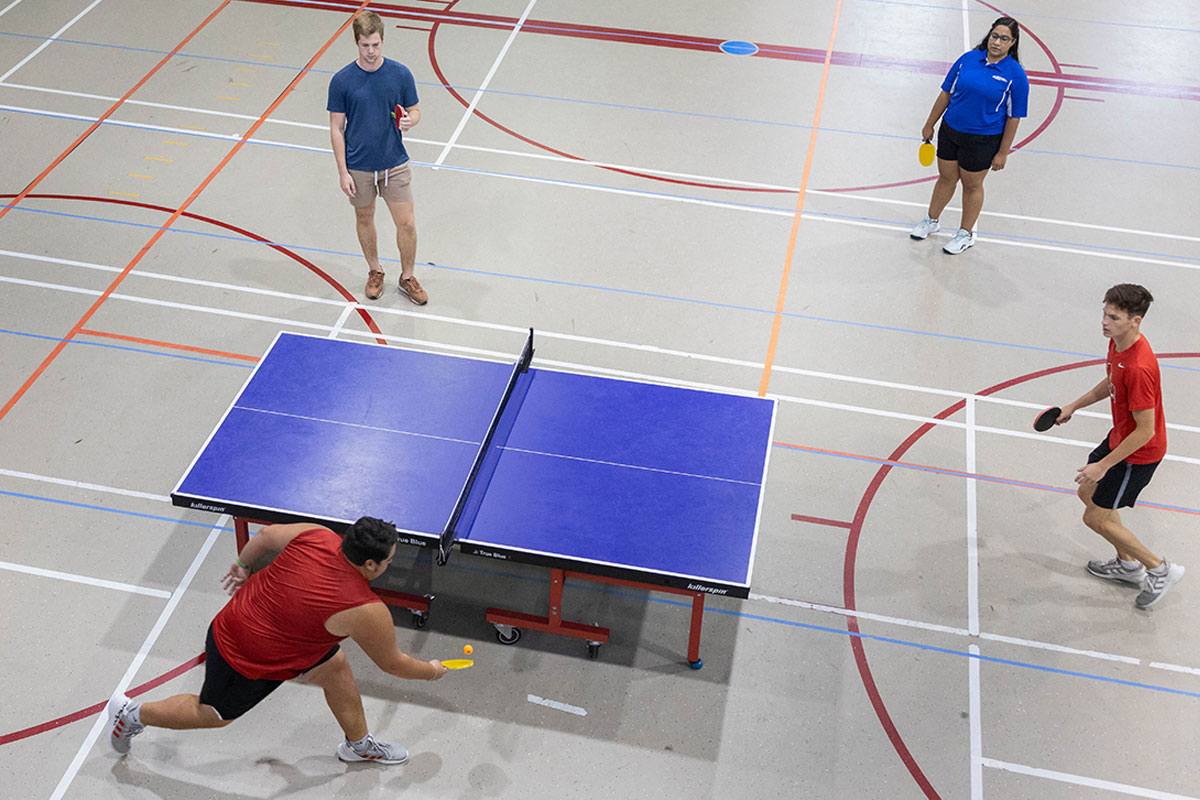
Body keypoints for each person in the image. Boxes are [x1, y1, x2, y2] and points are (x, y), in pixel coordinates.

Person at [106, 517, 447, 764]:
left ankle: (358, 745)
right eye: (390, 560)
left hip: (263, 625)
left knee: (335, 667)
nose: (391, 564)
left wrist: (242, 564)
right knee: (213, 713)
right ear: (370, 564)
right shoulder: (364, 609)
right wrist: (432, 671)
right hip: (243, 653)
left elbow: (267, 535)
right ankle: (131, 714)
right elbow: (392, 663)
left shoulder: (320, 535)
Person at [1053, 284, 1183, 609]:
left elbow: (1145, 431)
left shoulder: (1140, 367)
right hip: (1119, 438)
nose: (1104, 322)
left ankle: (1160, 569)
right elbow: (1111, 382)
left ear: (1135, 321)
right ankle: (1127, 565)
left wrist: (1105, 464)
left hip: (1136, 454)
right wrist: (1074, 405)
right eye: (1104, 313)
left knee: (1095, 518)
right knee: (1088, 495)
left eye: (1113, 317)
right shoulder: (1118, 345)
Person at [328, 11, 428, 304]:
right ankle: (375, 271)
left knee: (406, 223)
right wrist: (342, 172)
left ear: (382, 40)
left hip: (394, 163)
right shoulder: (342, 81)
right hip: (359, 166)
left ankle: (407, 276)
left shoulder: (400, 74)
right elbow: (336, 128)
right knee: (364, 218)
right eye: (364, 46)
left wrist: (411, 120)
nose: (370, 52)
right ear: (356, 43)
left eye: (375, 45)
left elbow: (415, 110)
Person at [910, 17, 1030, 254]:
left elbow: (1014, 117)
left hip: (983, 139)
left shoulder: (1015, 76)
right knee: (945, 177)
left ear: (1012, 43)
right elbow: (946, 93)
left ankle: (965, 234)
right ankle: (932, 220)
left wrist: (1003, 152)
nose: (997, 42)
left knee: (971, 185)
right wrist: (929, 123)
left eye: (1004, 38)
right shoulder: (968, 60)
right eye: (994, 36)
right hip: (951, 130)